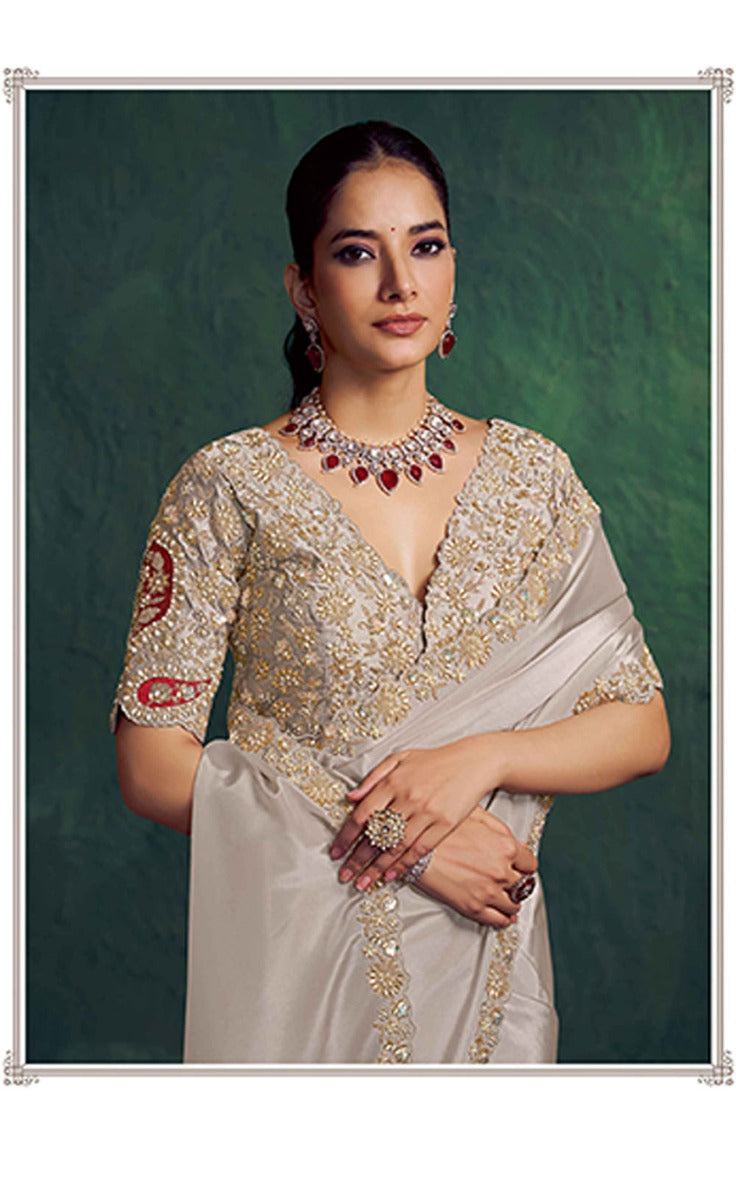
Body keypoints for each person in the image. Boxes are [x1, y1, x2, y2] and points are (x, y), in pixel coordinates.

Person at [111, 120, 670, 1065]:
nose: (401, 283)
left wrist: (481, 758)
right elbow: (152, 764)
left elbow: (640, 724)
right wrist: (402, 842)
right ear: (303, 288)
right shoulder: (228, 485)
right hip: (307, 980)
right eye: (358, 252)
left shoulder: (535, 480)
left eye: (426, 245)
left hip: (492, 974)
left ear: (453, 267)